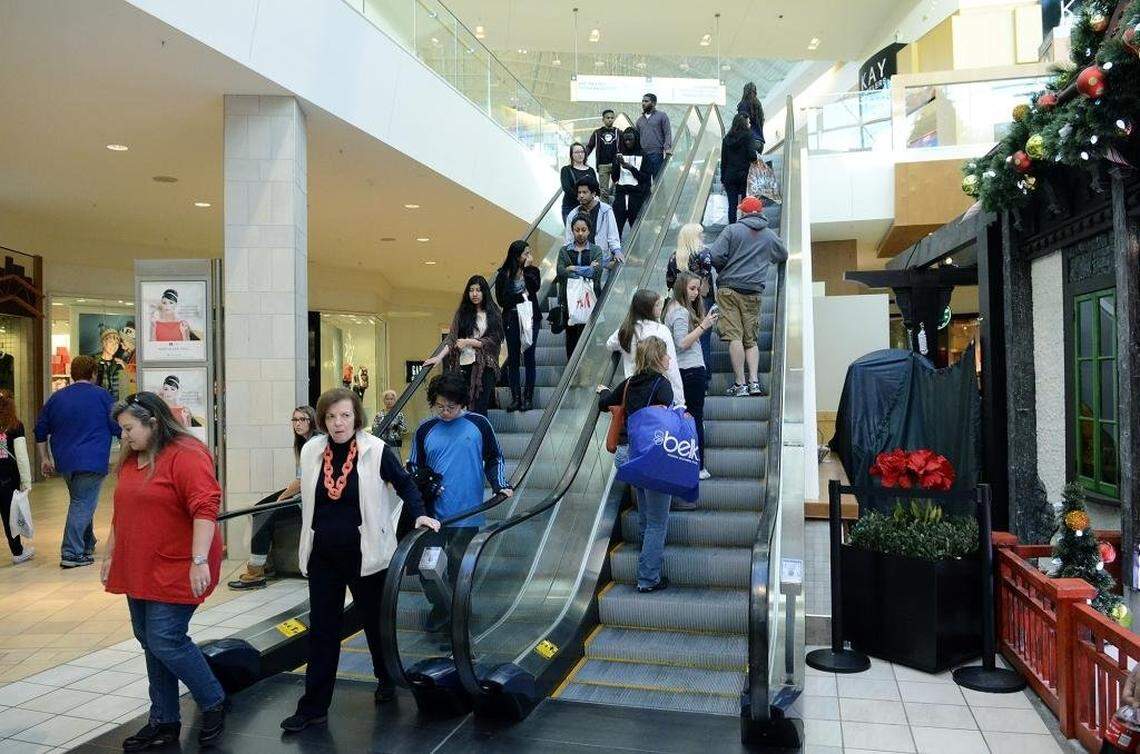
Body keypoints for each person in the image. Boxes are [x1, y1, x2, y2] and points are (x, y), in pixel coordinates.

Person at [281, 388, 440, 733]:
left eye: (345, 416)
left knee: (374, 622)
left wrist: (420, 515)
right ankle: (313, 707)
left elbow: (406, 485)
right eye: (331, 417)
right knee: (323, 631)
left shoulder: (375, 450)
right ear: (322, 420)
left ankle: (386, 677)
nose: (338, 423)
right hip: (323, 553)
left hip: (366, 552)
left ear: (357, 417)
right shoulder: (311, 451)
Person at [102, 392, 227, 749]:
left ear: (153, 422)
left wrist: (198, 560)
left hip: (178, 564)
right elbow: (121, 511)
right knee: (149, 641)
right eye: (121, 429)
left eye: (129, 429)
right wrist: (111, 554)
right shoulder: (133, 457)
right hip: (138, 564)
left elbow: (206, 508)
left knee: (166, 640)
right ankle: (164, 720)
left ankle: (214, 700)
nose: (124, 436)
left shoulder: (187, 455)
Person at [410, 372, 511, 635]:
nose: (445, 412)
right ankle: (443, 608)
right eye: (440, 406)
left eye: (451, 407)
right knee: (427, 567)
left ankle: (457, 618)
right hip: (433, 517)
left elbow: (494, 458)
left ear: (463, 403)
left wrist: (500, 484)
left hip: (468, 515)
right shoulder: (425, 430)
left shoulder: (479, 425)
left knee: (459, 569)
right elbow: (413, 469)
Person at [597, 337, 674, 592]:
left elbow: (604, 403)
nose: (668, 359)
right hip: (650, 457)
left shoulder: (629, 382)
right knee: (656, 522)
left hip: (627, 456)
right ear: (658, 359)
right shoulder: (663, 386)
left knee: (645, 513)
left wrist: (605, 392)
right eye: (665, 355)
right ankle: (648, 577)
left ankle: (647, 563)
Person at [34, 355, 120, 568]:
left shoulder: (57, 398)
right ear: (93, 374)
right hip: (93, 460)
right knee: (82, 503)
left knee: (80, 500)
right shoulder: (102, 396)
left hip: (65, 461)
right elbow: (119, 427)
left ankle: (86, 542)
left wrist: (44, 458)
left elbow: (40, 430)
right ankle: (71, 552)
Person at [229, 406, 319, 590]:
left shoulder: (314, 442)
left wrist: (283, 497)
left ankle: (255, 573)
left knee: (263, 513)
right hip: (304, 492)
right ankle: (266, 565)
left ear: (312, 421)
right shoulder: (304, 442)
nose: (298, 424)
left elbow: (303, 481)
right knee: (258, 508)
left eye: (303, 419)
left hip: (311, 499)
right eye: (295, 420)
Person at [710, 195, 789, 397]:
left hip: (729, 288)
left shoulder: (731, 230)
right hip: (753, 291)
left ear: (742, 211)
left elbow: (716, 256)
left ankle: (740, 384)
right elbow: (783, 255)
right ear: (761, 212)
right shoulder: (769, 235)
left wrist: (724, 268)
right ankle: (754, 382)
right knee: (751, 339)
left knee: (734, 336)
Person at [423, 276, 503, 417]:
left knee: (479, 407)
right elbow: (452, 338)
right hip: (464, 363)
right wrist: (438, 358)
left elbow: (495, 340)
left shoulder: (493, 313)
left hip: (486, 366)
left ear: (484, 292)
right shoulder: (462, 313)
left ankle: (479, 437)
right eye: (471, 290)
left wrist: (468, 342)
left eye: (478, 290)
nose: (474, 294)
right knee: (464, 405)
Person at [665, 273, 717, 487]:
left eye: (697, 289)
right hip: (690, 370)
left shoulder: (676, 310)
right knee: (695, 418)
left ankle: (689, 464)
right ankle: (698, 466)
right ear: (681, 288)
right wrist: (703, 326)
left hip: (686, 370)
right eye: (692, 289)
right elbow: (681, 343)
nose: (696, 293)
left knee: (689, 418)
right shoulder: (679, 312)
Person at [606, 289, 685, 408]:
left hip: (633, 392)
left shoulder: (626, 331)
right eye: (657, 305)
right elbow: (671, 367)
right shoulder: (661, 330)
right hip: (657, 392)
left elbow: (609, 345)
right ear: (647, 308)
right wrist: (679, 400)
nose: (660, 308)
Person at [494, 240, 542, 413]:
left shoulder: (533, 271)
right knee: (513, 359)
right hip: (512, 318)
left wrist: (527, 269)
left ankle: (528, 398)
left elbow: (534, 288)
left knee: (529, 357)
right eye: (525, 254)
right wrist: (521, 298)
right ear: (516, 256)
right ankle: (516, 398)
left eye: (529, 253)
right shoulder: (503, 274)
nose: (529, 256)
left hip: (530, 318)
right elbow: (502, 300)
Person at [667, 223, 717, 376]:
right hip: (703, 300)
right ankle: (705, 375)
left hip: (680, 301)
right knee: (702, 336)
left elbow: (669, 281)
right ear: (693, 237)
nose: (704, 236)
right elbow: (706, 279)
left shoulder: (674, 257)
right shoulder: (704, 254)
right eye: (700, 234)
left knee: (683, 335)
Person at [556, 215, 604, 358]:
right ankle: (570, 376)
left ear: (589, 231)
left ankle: (588, 372)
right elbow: (561, 272)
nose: (580, 233)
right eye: (577, 230)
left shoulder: (596, 250)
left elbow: (596, 272)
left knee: (590, 340)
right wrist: (585, 269)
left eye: (584, 230)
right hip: (569, 303)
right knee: (571, 340)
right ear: (572, 230)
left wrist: (572, 268)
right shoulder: (564, 251)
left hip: (591, 301)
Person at [0, 391, 34, 564]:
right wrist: (27, 481)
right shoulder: (15, 425)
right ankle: (17, 552)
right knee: (9, 517)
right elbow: (21, 456)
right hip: (7, 479)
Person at [563, 178, 623, 271]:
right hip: (581, 262)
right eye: (579, 193)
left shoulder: (605, 210)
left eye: (584, 192)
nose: (581, 196)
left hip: (601, 259)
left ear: (593, 193)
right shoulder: (573, 214)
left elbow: (613, 234)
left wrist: (616, 251)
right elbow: (569, 239)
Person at [722, 113, 759, 225]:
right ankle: (745, 227)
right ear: (744, 123)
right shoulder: (749, 136)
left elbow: (724, 160)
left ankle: (732, 229)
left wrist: (723, 178)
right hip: (744, 175)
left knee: (732, 205)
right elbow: (752, 155)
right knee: (746, 203)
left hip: (730, 175)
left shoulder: (727, 139)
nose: (749, 124)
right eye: (748, 122)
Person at [612, 127, 650, 238]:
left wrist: (630, 168)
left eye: (630, 140)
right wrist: (616, 165)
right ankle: (616, 254)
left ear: (636, 139)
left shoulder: (643, 155)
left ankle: (636, 254)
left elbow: (646, 177)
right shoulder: (620, 154)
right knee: (616, 229)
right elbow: (615, 178)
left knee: (636, 232)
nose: (627, 142)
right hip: (621, 196)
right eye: (625, 140)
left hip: (636, 196)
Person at [635, 93, 672, 184]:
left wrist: (667, 148)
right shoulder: (639, 120)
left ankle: (660, 198)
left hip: (656, 154)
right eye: (643, 101)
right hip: (643, 155)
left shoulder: (662, 116)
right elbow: (637, 138)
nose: (643, 103)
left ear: (654, 103)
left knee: (658, 181)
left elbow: (667, 132)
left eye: (646, 101)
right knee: (644, 181)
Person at [586, 109, 620, 201]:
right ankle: (604, 211)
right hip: (602, 165)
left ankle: (616, 210)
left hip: (616, 165)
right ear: (603, 119)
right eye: (608, 118)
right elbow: (589, 146)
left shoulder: (618, 132)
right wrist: (583, 158)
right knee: (603, 190)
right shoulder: (597, 133)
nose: (610, 120)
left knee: (618, 188)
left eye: (612, 118)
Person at [560, 142, 597, 222]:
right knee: (572, 233)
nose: (580, 154)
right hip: (570, 206)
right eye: (577, 152)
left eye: (582, 152)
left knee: (588, 233)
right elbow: (566, 188)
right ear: (571, 155)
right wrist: (582, 198)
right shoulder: (566, 170)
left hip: (588, 207)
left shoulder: (590, 170)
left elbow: (596, 188)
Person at [94, 329, 126, 397]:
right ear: (103, 343)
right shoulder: (93, 361)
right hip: (97, 403)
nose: (114, 346)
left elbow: (124, 389)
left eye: (116, 343)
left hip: (114, 405)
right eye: (111, 342)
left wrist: (125, 368)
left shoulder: (119, 364)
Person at [737, 82, 765, 154]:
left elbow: (742, 123)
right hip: (760, 142)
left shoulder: (743, 104)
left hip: (750, 141)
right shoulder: (758, 104)